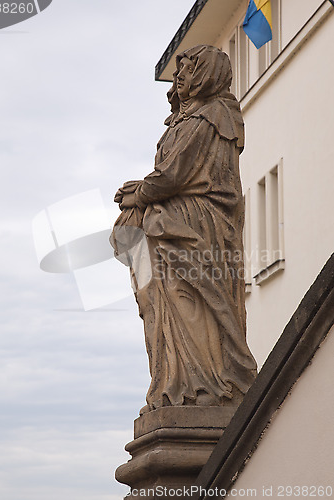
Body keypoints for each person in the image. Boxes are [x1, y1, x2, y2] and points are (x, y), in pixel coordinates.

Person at [111, 45, 257, 414]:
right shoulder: (191, 119)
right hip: (177, 222)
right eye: (177, 72)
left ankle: (207, 384)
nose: (179, 78)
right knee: (165, 305)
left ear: (206, 74)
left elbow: (173, 176)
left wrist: (137, 193)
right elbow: (169, 175)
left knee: (190, 299)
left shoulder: (208, 118)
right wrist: (141, 191)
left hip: (194, 224)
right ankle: (174, 383)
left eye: (187, 70)